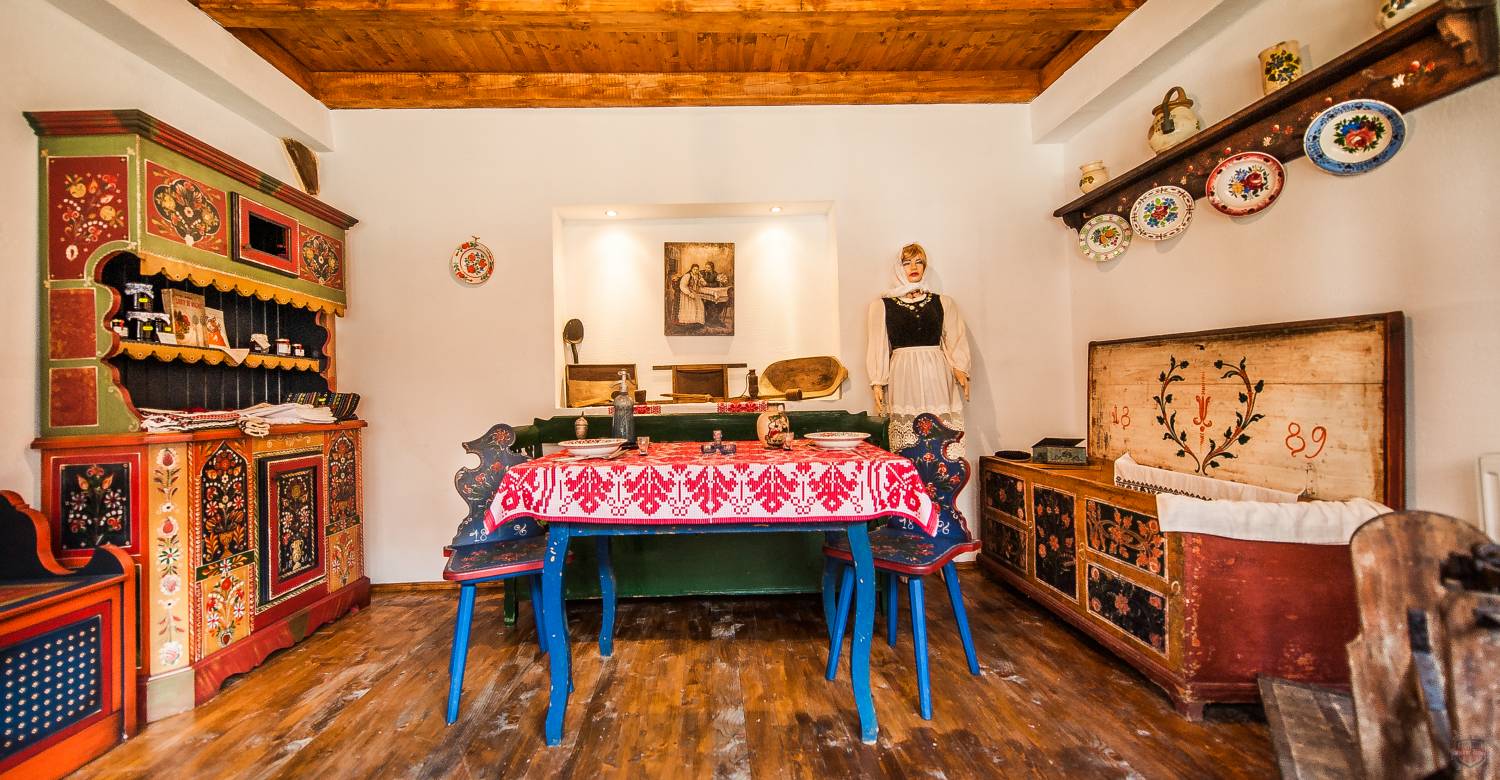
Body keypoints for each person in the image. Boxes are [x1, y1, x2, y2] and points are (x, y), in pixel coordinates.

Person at [867, 243, 971, 453]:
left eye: (918, 262)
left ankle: (941, 469)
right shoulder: (883, 306)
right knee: (909, 436)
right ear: (899, 268)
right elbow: (878, 345)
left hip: (936, 372)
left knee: (938, 428)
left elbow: (954, 338)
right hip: (903, 373)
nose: (913, 267)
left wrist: (960, 369)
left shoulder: (942, 302)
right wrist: (877, 381)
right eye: (907, 263)